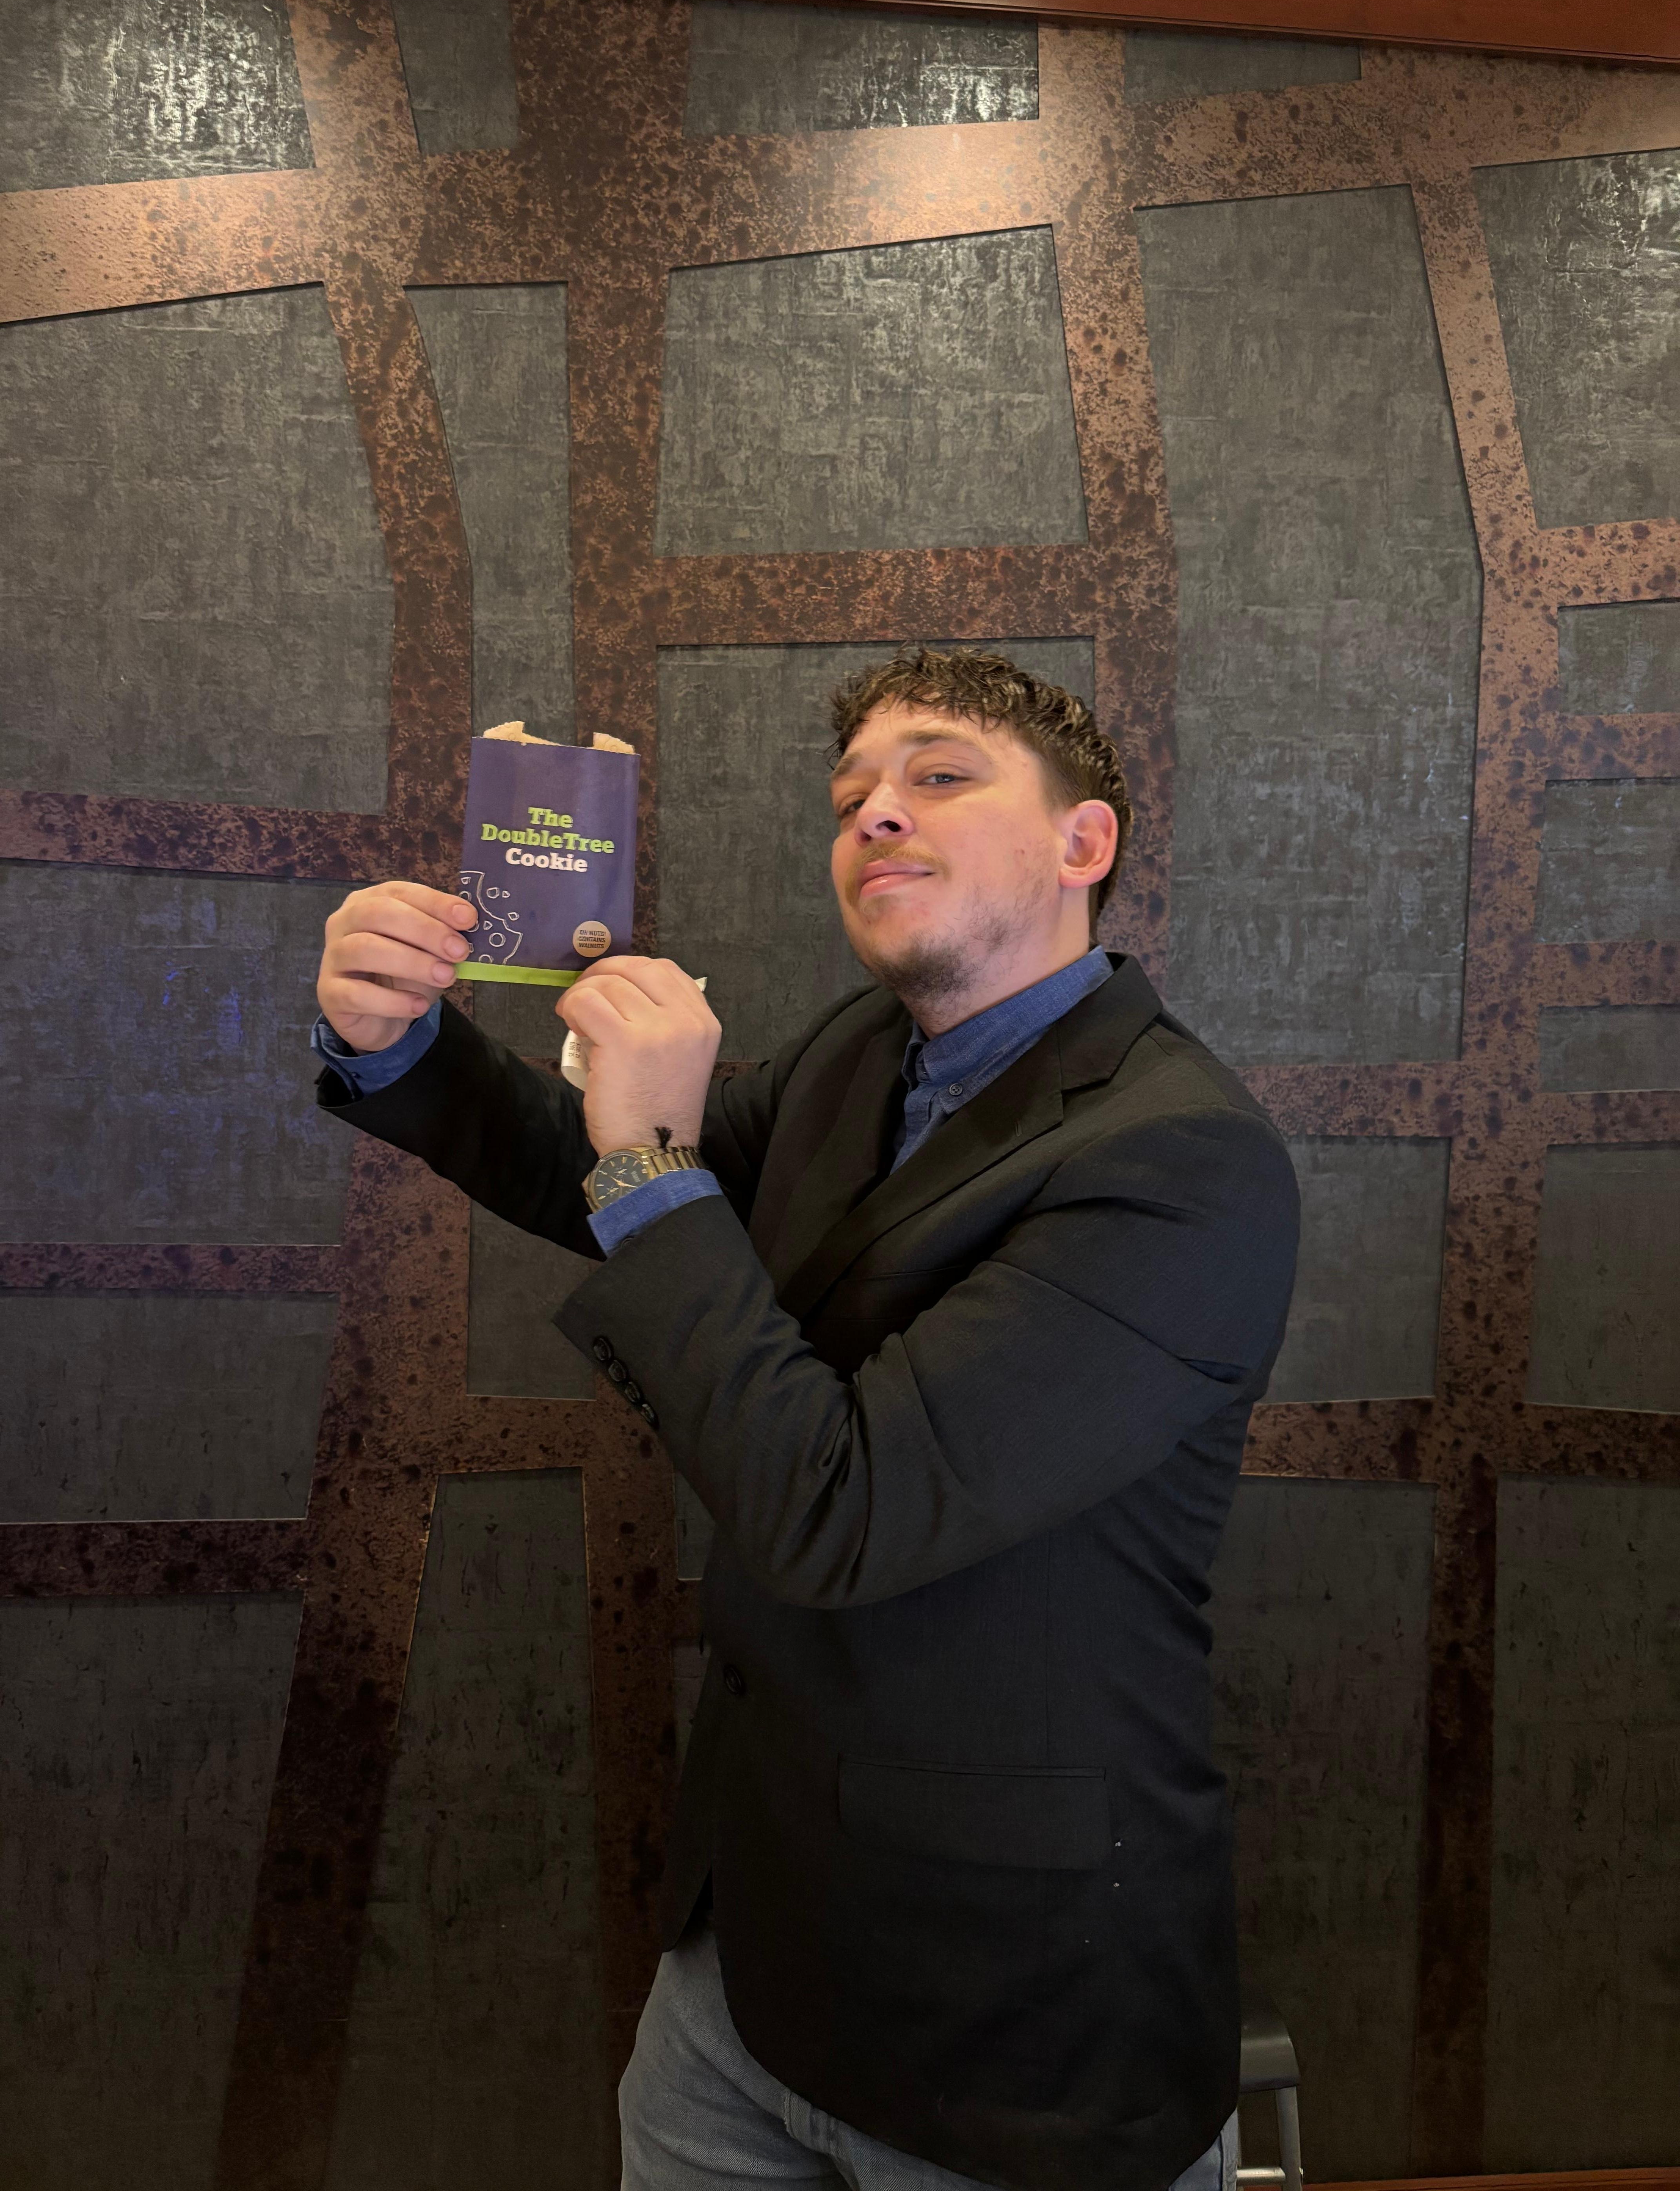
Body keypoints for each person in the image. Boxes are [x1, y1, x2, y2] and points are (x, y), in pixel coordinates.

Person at [311, 647, 1300, 2191]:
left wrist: (650, 1160)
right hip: (744, 1967)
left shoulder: (1181, 1165)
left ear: (1081, 843)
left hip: (1013, 2016)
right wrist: (400, 1042)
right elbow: (599, 1184)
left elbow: (840, 1508)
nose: (876, 816)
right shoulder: (860, 1057)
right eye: (852, 798)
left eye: (940, 776)